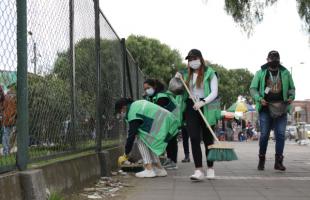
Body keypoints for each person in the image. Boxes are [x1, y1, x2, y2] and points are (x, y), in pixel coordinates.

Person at [175, 49, 221, 181]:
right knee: (194, 137)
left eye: (194, 58)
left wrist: (203, 102)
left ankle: (210, 168)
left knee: (208, 139)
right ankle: (198, 170)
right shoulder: (185, 74)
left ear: (200, 59)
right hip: (191, 106)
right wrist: (177, 79)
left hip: (206, 106)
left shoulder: (210, 73)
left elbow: (214, 92)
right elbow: (176, 88)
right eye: (190, 59)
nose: (192, 62)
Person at [250, 50, 295, 171]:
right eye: (272, 59)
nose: (274, 61)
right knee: (264, 135)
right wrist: (259, 99)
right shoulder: (260, 73)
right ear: (267, 60)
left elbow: (292, 88)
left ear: (279, 61)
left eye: (276, 59)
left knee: (280, 135)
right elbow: (253, 89)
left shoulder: (285, 73)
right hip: (265, 108)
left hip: (282, 108)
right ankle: (261, 159)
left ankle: (278, 162)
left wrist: (291, 97)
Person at [115, 98, 180, 178]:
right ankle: (159, 168)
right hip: (165, 120)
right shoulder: (136, 105)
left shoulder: (132, 111)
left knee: (141, 139)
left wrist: (126, 154)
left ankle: (148, 169)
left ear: (123, 107)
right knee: (148, 141)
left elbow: (132, 134)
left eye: (119, 112)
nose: (120, 114)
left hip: (162, 122)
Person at [143, 78, 181, 169]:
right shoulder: (153, 97)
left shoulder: (161, 96)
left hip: (172, 120)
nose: (146, 91)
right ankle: (170, 159)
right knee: (167, 140)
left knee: (170, 140)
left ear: (154, 87)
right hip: (167, 120)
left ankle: (173, 162)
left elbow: (157, 112)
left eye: (148, 88)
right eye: (144, 89)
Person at [2, 83, 17, 156]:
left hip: (10, 118)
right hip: (9, 119)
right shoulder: (8, 97)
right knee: (7, 135)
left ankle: (7, 151)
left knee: (7, 135)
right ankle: (7, 151)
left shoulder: (7, 97)